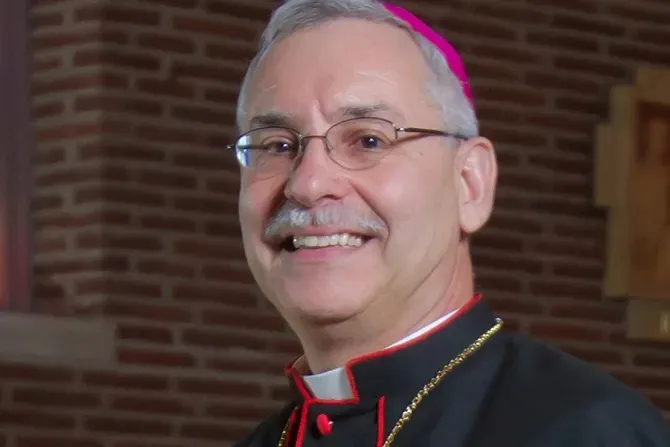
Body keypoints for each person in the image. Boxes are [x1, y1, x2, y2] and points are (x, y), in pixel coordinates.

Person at [230, 0, 670, 445]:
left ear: (469, 184)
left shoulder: (589, 432)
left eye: (368, 140)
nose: (307, 184)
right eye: (276, 146)